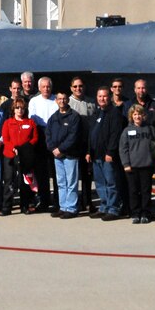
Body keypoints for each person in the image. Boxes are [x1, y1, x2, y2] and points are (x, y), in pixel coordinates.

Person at [88, 86, 125, 221]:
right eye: (99, 96)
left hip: (107, 156)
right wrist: (88, 151)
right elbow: (91, 134)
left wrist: (110, 152)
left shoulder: (114, 113)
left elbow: (115, 134)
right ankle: (104, 206)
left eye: (104, 96)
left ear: (109, 97)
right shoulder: (97, 113)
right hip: (96, 155)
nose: (102, 99)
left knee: (111, 182)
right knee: (100, 183)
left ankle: (113, 208)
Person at [46, 91, 83, 219]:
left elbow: (73, 136)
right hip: (57, 155)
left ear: (68, 100)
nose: (62, 101)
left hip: (70, 155)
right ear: (56, 100)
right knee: (61, 182)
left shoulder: (74, 116)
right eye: (59, 99)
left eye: (64, 99)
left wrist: (61, 149)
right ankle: (63, 207)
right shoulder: (53, 117)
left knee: (71, 182)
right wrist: (53, 148)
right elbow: (48, 135)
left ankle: (71, 208)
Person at [118, 104, 155, 224]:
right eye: (135, 114)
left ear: (143, 115)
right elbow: (123, 149)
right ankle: (135, 213)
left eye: (139, 114)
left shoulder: (150, 129)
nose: (137, 116)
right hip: (132, 166)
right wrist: (126, 164)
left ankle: (145, 213)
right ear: (131, 116)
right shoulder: (126, 131)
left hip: (146, 165)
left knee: (146, 191)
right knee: (133, 191)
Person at [1, 98, 39, 215]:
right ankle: (7, 207)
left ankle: (25, 205)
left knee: (25, 182)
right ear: (13, 109)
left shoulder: (30, 122)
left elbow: (35, 138)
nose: (19, 110)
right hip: (10, 155)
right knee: (9, 181)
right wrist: (13, 148)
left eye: (22, 108)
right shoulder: (8, 123)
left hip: (25, 156)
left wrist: (25, 148)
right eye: (17, 108)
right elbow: (5, 139)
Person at [28, 76, 59, 212]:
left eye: (48, 86)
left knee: (56, 170)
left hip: (54, 135)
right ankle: (44, 200)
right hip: (40, 135)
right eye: (43, 86)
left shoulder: (56, 100)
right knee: (41, 172)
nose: (46, 89)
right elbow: (32, 119)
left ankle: (58, 201)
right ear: (39, 88)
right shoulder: (34, 101)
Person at [67, 76, 97, 214]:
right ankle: (75, 201)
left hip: (87, 143)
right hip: (74, 144)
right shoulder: (68, 103)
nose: (78, 89)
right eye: (75, 87)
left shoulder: (91, 102)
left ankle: (88, 200)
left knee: (87, 174)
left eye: (80, 86)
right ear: (71, 88)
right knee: (73, 175)